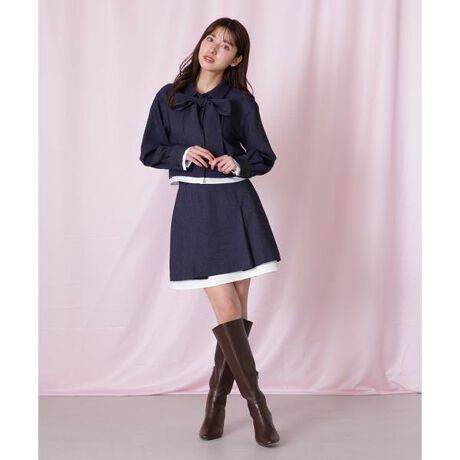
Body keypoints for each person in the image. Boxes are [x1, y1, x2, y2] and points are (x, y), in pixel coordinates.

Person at [140, 17, 281, 447]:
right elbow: (149, 151)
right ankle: (259, 408)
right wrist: (183, 152)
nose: (214, 49)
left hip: (236, 205)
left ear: (236, 59)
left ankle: (216, 404)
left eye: (226, 46)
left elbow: (263, 155)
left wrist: (237, 162)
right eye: (211, 39)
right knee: (228, 308)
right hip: (196, 210)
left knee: (234, 311)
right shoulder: (169, 97)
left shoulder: (240, 101)